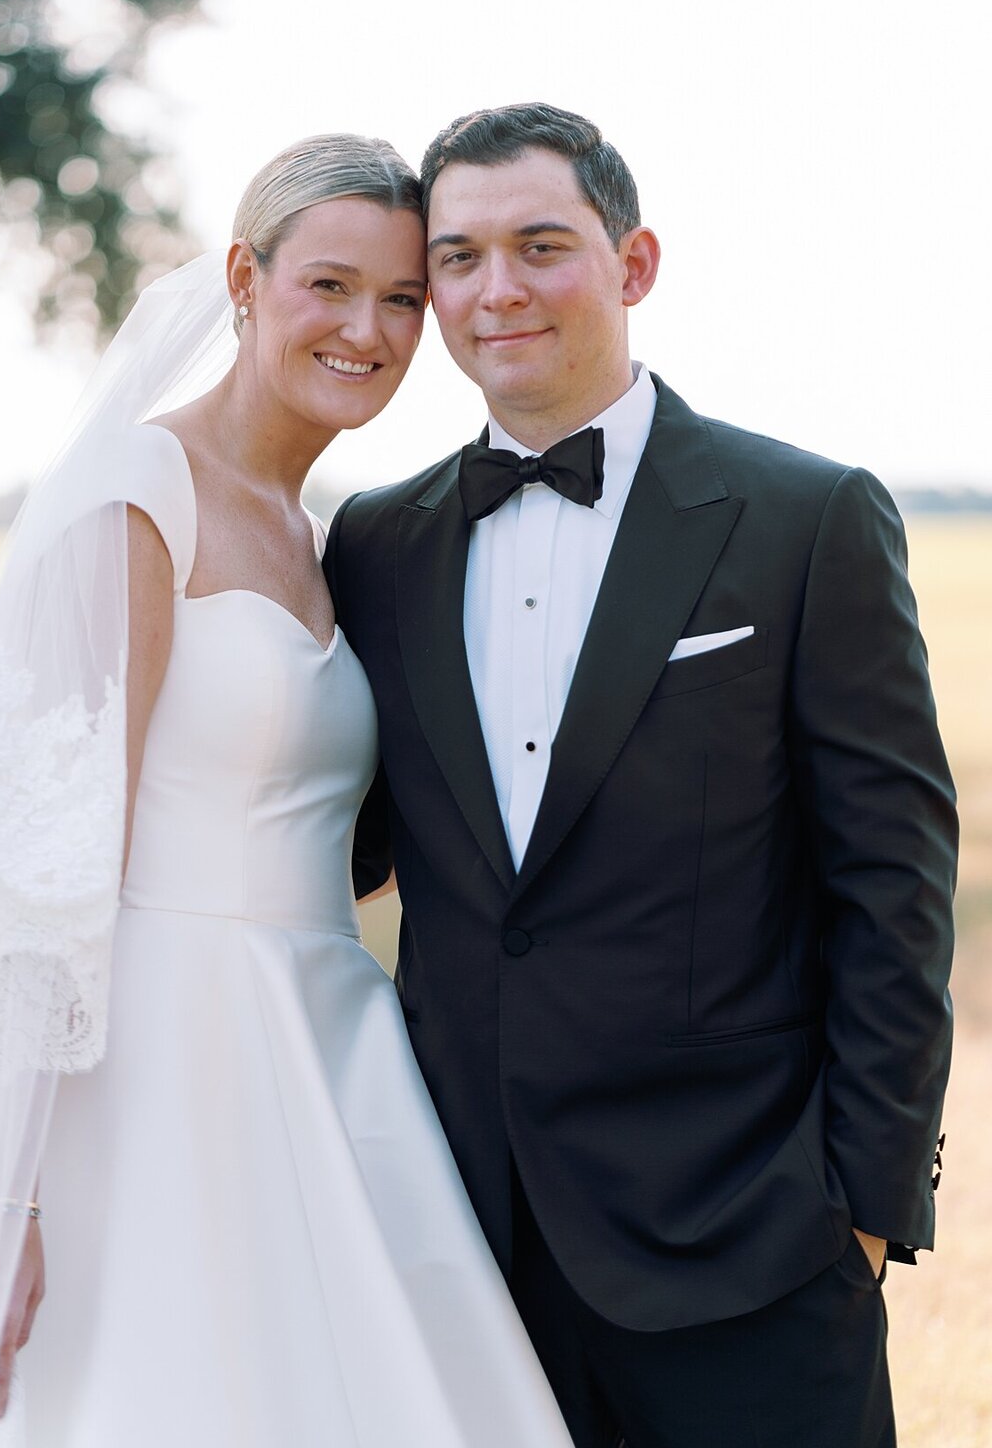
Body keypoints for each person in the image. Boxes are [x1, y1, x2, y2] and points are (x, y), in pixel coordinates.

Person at [0, 134, 575, 1447]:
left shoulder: (329, 539)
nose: (369, 330)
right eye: (328, 285)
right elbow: (33, 858)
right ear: (242, 276)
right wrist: (1, 1190)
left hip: (330, 1051)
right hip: (152, 1069)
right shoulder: (136, 496)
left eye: (398, 298)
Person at [324, 102, 957, 1448]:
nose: (498, 290)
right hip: (460, 1245)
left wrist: (863, 1206)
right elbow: (339, 843)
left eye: (541, 245)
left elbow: (893, 886)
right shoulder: (376, 547)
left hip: (752, 1246)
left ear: (635, 262)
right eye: (459, 257)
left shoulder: (806, 519)